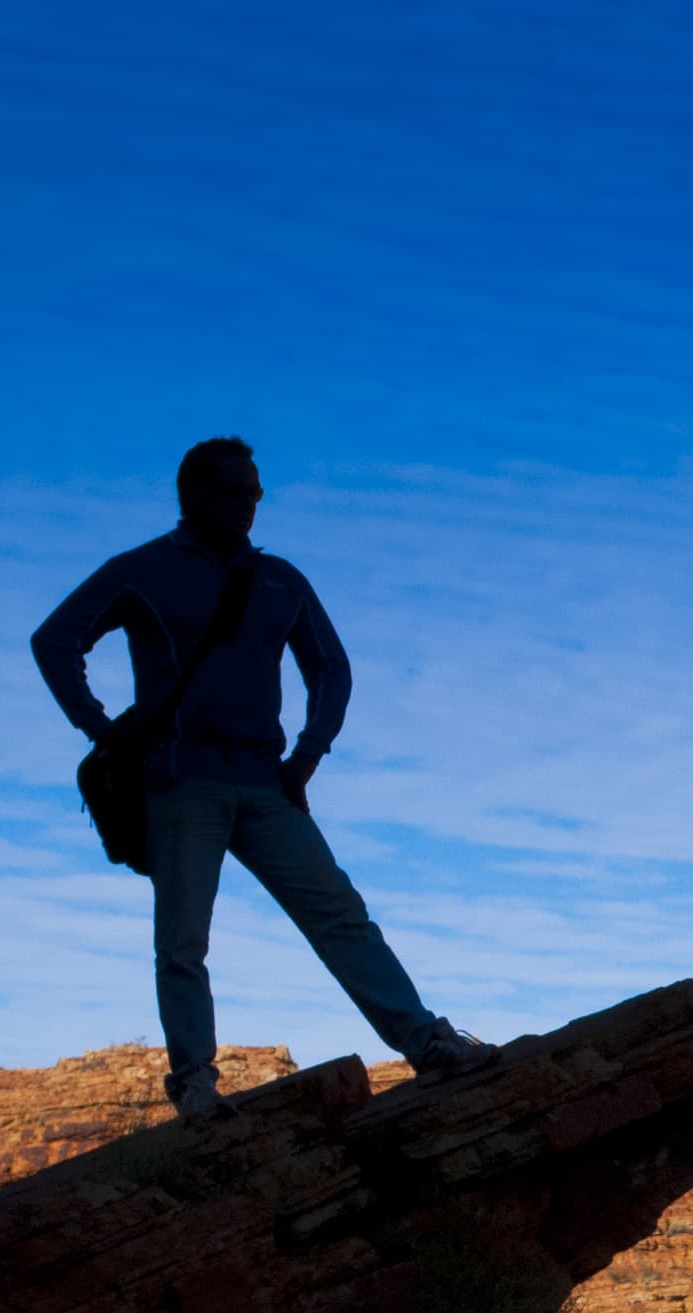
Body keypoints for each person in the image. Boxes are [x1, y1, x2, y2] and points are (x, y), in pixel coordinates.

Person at [32, 437, 497, 1121]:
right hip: (181, 783)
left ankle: (427, 1042)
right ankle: (195, 1084)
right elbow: (55, 639)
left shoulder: (279, 579)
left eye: (256, 493)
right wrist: (101, 731)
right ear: (194, 495)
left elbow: (331, 669)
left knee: (340, 916)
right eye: (236, 491)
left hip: (264, 784)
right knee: (183, 941)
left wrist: (306, 756)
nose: (250, 504)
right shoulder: (144, 570)